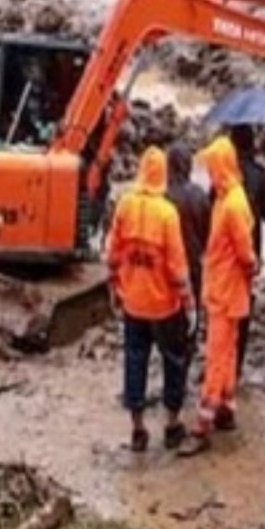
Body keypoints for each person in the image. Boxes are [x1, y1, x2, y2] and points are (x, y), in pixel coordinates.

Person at [107, 147, 195, 453]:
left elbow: (112, 254)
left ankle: (138, 428)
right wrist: (190, 304)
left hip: (133, 303)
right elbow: (177, 266)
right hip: (164, 306)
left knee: (135, 361)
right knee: (173, 361)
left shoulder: (125, 206)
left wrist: (115, 290)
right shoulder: (167, 214)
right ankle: (172, 424)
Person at [182, 135, 257, 455]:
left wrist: (251, 267)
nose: (209, 174)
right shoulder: (229, 198)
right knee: (227, 351)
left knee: (216, 355)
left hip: (225, 291)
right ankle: (226, 407)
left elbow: (245, 253)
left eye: (212, 168)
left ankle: (204, 422)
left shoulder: (233, 204)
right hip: (226, 289)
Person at [229, 125, 265, 377]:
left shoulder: (224, 174)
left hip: (224, 254)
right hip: (250, 251)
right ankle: (237, 364)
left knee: (223, 307)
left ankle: (223, 360)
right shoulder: (260, 175)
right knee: (243, 305)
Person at [166, 143, 211, 305]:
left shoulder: (161, 195)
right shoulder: (199, 194)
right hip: (192, 262)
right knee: (192, 310)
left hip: (166, 266)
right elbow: (208, 234)